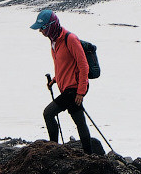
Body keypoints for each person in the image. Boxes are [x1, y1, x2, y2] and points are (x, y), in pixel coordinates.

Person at [32, 8, 95, 148]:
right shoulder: (54, 41)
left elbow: (84, 65)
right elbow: (65, 65)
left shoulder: (70, 39)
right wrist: (55, 80)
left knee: (48, 113)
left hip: (74, 89)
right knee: (79, 120)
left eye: (42, 28)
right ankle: (89, 153)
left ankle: (53, 148)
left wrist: (80, 92)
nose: (40, 31)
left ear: (51, 26)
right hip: (68, 87)